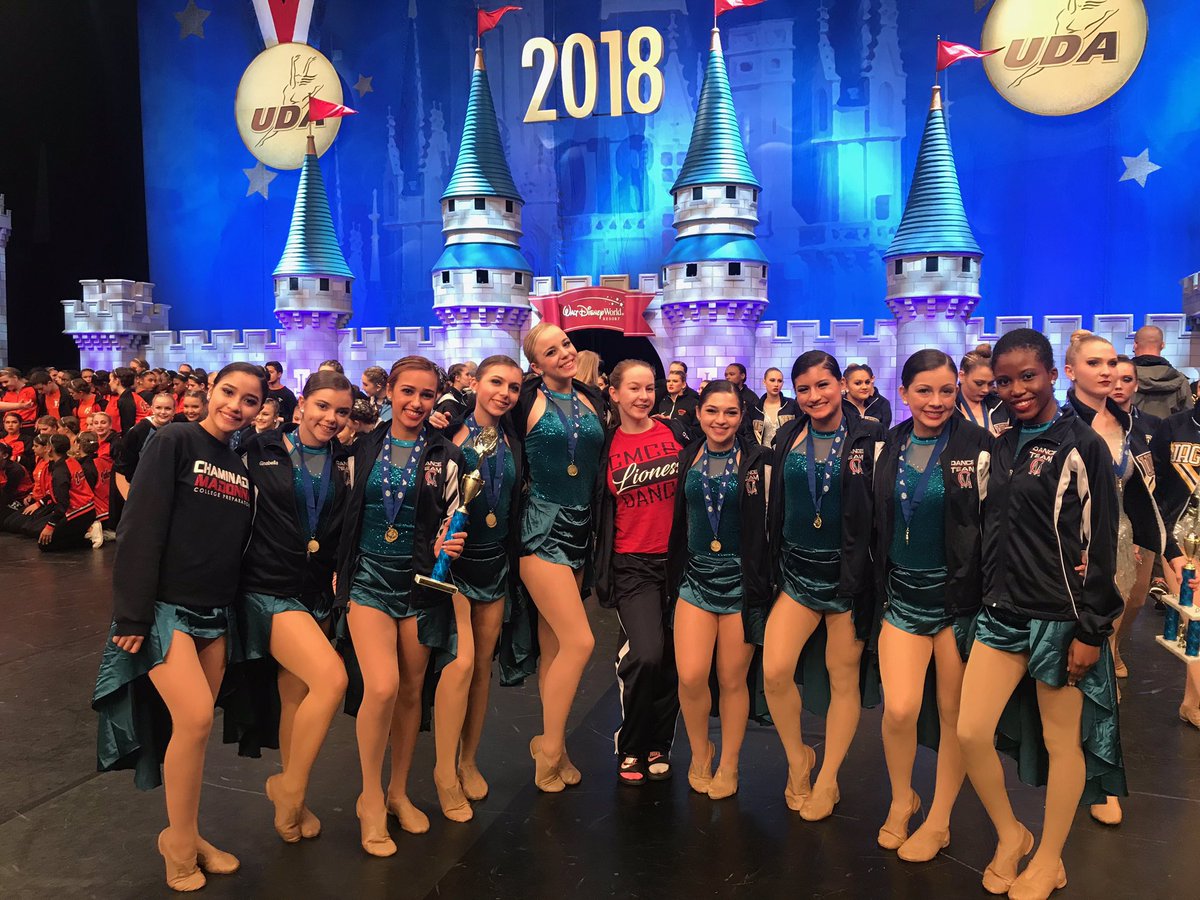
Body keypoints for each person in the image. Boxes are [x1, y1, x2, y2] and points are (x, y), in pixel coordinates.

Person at [956, 329, 1125, 899]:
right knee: (970, 732)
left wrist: (1092, 630)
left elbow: (1101, 544)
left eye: (1028, 376)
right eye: (1004, 381)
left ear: (1053, 374)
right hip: (1000, 614)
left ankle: (1050, 859)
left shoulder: (1083, 445)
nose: (1017, 389)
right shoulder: (999, 444)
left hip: (1060, 620)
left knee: (1062, 744)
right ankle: (1013, 835)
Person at [91, 362, 265, 892]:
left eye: (250, 400)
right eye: (229, 392)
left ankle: (184, 834)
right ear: (209, 391)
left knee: (196, 732)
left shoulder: (239, 462)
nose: (236, 405)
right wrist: (133, 612)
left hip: (216, 612)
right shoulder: (173, 440)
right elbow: (140, 523)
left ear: (261, 408)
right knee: (193, 719)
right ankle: (180, 847)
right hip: (166, 611)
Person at [334, 356, 466, 856]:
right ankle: (369, 796)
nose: (416, 402)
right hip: (368, 580)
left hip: (419, 585)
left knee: (412, 693)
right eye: (407, 391)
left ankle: (398, 791)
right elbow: (338, 511)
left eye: (427, 394)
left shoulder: (447, 456)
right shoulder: (359, 447)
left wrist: (450, 543)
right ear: (389, 391)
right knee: (383, 686)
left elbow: (453, 517)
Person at [872, 350, 991, 861]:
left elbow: (995, 524)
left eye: (946, 390)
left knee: (952, 716)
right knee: (899, 709)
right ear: (904, 393)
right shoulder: (889, 443)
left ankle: (939, 819)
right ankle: (903, 799)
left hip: (957, 603)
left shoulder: (979, 446)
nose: (937, 401)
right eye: (924, 390)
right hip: (902, 596)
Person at [228, 370, 354, 844]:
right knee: (332, 679)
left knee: (297, 696)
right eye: (322, 406)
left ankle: (294, 796)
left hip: (316, 591)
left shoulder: (346, 459)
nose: (331, 418)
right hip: (267, 590)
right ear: (300, 404)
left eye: (341, 411)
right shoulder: (257, 448)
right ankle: (290, 788)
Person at [762, 352, 883, 821]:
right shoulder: (788, 434)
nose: (814, 396)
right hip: (797, 574)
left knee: (842, 679)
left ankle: (829, 777)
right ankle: (799, 761)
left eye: (823, 385)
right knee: (775, 672)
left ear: (841, 385)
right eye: (804, 389)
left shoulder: (870, 437)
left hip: (848, 580)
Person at [1062, 333, 1164, 827]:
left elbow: (1144, 496)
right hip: (1068, 557)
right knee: (1073, 661)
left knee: (1100, 651)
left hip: (1119, 549)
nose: (1107, 374)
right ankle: (1073, 767)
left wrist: (1162, 548)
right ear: (1070, 371)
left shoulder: (1131, 426)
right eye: (1096, 363)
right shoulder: (1060, 425)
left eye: (1115, 367)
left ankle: (1096, 775)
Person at [510, 323, 605, 792]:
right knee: (580, 641)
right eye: (551, 351)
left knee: (555, 650)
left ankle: (556, 744)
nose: (564, 353)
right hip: (540, 530)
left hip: (580, 530)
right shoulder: (524, 401)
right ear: (536, 365)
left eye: (565, 344)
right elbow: (486, 429)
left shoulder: (591, 398)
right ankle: (548, 750)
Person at [667, 379, 770, 799]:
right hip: (695, 579)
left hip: (740, 583)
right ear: (699, 413)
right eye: (712, 411)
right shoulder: (687, 455)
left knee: (731, 680)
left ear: (742, 416)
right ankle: (700, 752)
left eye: (730, 412)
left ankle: (728, 763)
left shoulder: (759, 461)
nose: (721, 420)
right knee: (691, 676)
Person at [594, 360, 689, 786]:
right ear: (614, 393)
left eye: (649, 388)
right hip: (631, 564)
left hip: (678, 562)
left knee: (671, 659)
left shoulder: (675, 433)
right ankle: (631, 742)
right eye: (633, 388)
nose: (643, 396)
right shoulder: (605, 446)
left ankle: (659, 744)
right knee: (646, 655)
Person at [441, 356, 526, 813]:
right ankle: (443, 767)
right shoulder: (448, 434)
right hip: (454, 567)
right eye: (496, 382)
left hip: (494, 566)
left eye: (513, 387)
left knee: (480, 672)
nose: (504, 393)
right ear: (475, 383)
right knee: (460, 665)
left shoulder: (513, 438)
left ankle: (468, 759)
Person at [1149, 396, 1200, 731]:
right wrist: (1164, 541)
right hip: (1181, 539)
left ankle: (1191, 702)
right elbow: (1153, 488)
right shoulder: (1173, 427)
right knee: (1196, 615)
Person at [115, 392, 177, 501]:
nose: (163, 412)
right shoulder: (139, 431)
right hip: (138, 487)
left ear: (174, 411)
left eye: (167, 408)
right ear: (152, 409)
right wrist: (129, 497)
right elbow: (122, 467)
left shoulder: (176, 430)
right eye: (158, 408)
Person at [1131, 324, 1193, 418]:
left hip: (1131, 427)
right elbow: (1188, 418)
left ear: (1135, 345)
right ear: (1162, 345)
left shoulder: (1122, 378)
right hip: (1169, 427)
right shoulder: (1180, 380)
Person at [956, 345, 1011, 436]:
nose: (986, 390)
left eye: (991, 384)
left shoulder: (1002, 404)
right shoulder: (949, 408)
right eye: (979, 383)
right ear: (962, 376)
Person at [752, 367, 798, 448]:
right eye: (772, 380)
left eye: (779, 381)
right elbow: (749, 435)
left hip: (787, 452)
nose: (776, 384)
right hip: (762, 454)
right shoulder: (756, 409)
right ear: (764, 382)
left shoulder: (792, 405)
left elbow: (800, 429)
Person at [843, 363, 892, 428]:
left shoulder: (880, 404)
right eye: (858, 383)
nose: (864, 387)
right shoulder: (839, 407)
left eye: (867, 382)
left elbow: (884, 432)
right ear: (845, 384)